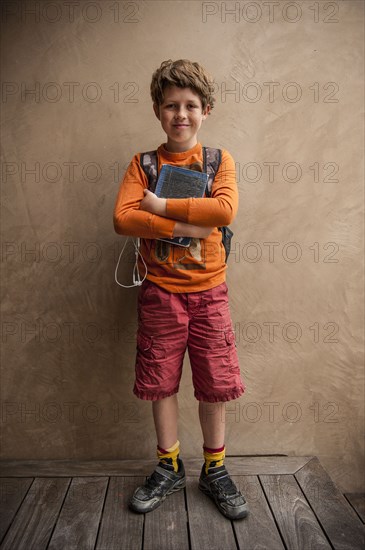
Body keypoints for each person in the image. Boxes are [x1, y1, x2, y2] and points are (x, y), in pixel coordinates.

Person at [113, 59, 249, 520]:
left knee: (214, 384)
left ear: (206, 109)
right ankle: (168, 464)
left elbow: (225, 210)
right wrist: (186, 224)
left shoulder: (218, 161)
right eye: (171, 105)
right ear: (157, 110)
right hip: (159, 294)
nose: (181, 114)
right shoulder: (143, 164)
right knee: (160, 382)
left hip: (210, 293)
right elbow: (122, 218)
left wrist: (161, 205)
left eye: (191, 105)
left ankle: (215, 468)